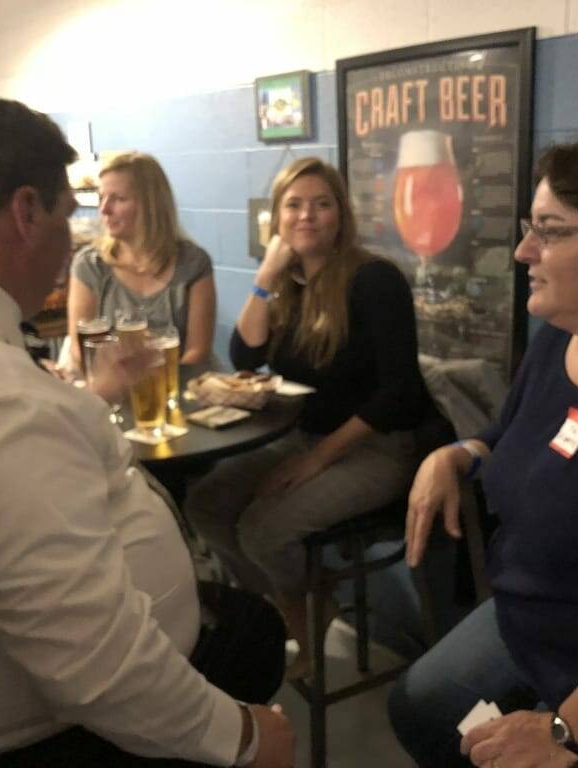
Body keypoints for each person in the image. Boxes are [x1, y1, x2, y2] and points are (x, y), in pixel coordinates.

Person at [0, 91, 294, 768]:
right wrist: (244, 739)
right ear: (27, 212)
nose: (81, 232)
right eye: (72, 212)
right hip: (44, 734)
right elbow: (95, 664)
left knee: (244, 616)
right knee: (252, 632)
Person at [389, 135, 578, 767]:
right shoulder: (558, 338)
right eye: (530, 226)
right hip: (533, 621)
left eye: (548, 230)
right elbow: (514, 436)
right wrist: (459, 454)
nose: (524, 250)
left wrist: (564, 734)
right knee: (419, 707)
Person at [185, 157, 451, 680]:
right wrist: (265, 276)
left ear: (340, 215)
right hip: (304, 438)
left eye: (321, 204)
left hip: (377, 447)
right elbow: (245, 356)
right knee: (206, 504)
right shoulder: (288, 286)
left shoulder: (375, 280)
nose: (307, 215)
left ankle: (304, 616)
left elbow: (398, 396)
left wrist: (316, 461)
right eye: (294, 205)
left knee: (263, 532)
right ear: (277, 218)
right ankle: (301, 609)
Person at [67, 151, 216, 371]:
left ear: (151, 204)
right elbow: (79, 351)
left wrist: (155, 390)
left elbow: (197, 351)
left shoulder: (193, 263)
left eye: (118, 199)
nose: (104, 209)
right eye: (102, 198)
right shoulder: (90, 265)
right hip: (111, 395)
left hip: (178, 389)